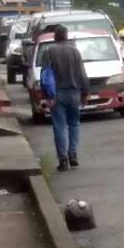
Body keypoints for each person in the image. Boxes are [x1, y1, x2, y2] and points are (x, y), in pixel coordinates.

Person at [45, 25, 90, 171]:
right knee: (74, 123)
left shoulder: (49, 51)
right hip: (74, 92)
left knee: (59, 126)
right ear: (66, 36)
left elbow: (45, 75)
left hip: (57, 93)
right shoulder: (75, 51)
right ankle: (73, 154)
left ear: (55, 37)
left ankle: (63, 159)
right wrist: (85, 92)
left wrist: (46, 95)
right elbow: (82, 73)